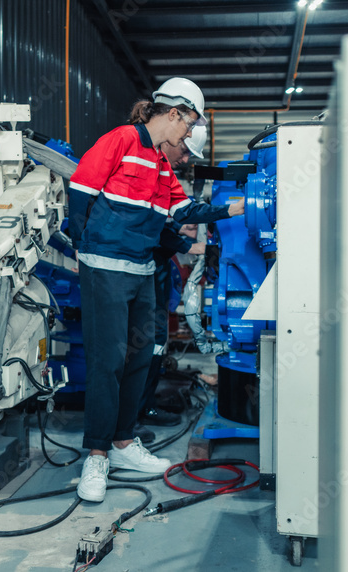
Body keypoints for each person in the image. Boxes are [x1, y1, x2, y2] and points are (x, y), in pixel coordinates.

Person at [67, 78, 244, 502]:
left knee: (139, 358)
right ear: (173, 113)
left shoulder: (162, 167)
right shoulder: (121, 140)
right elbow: (79, 192)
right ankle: (96, 454)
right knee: (107, 361)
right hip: (105, 269)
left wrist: (236, 207)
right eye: (189, 125)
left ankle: (124, 443)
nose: (187, 135)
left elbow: (184, 210)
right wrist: (83, 248)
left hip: (141, 271)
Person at [141, 127, 209, 428]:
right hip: (142, 277)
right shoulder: (148, 172)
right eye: (184, 151)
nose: (184, 159)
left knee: (155, 344)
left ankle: (143, 406)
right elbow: (155, 230)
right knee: (144, 347)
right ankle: (138, 413)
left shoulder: (163, 174)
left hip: (155, 276)